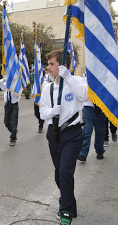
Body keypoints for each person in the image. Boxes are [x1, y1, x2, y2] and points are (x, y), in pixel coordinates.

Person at [39, 50, 88, 223]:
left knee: (66, 172)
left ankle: (65, 211)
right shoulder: (48, 87)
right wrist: (51, 112)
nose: (49, 67)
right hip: (54, 135)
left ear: (62, 65)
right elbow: (42, 110)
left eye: (52, 64)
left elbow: (84, 95)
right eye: (49, 64)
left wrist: (68, 77)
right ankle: (70, 204)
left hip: (72, 134)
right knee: (59, 174)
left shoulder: (76, 82)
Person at [0, 77, 22, 146]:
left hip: (14, 105)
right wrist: (4, 79)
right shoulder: (7, 83)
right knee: (6, 122)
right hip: (7, 104)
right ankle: (14, 131)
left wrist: (13, 87)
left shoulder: (18, 85)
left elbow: (17, 95)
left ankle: (13, 138)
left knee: (14, 122)